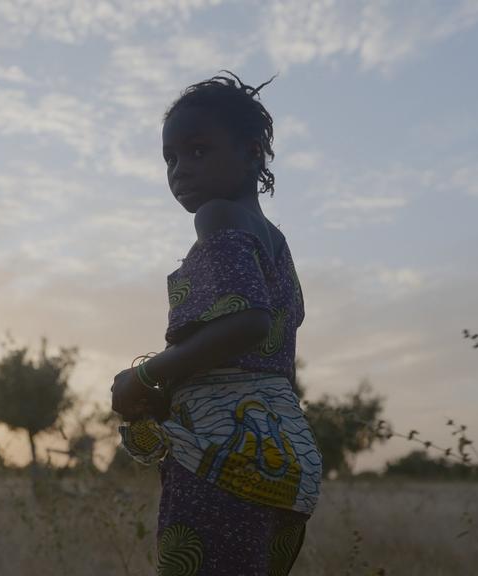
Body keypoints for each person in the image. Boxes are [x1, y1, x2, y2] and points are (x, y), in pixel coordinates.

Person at [110, 70, 322, 576]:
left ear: (252, 153)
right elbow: (260, 349)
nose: (181, 170)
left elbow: (248, 322)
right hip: (286, 454)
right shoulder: (274, 240)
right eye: (171, 158)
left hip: (223, 449)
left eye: (199, 150)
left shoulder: (218, 218)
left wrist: (144, 376)